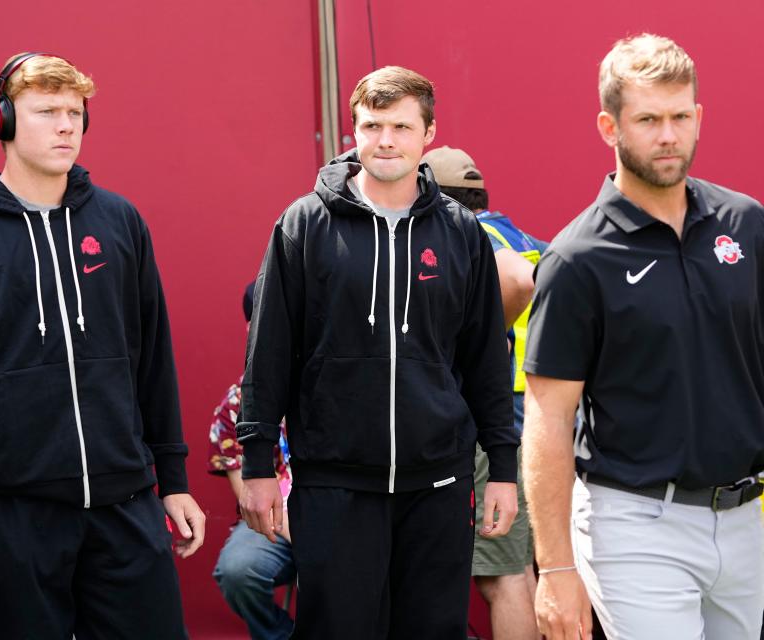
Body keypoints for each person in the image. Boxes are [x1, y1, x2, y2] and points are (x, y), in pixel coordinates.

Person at [0, 52, 204, 639]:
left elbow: (152, 360)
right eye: (46, 111)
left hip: (125, 502)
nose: (67, 125)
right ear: (4, 120)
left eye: (75, 112)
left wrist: (175, 479)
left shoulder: (119, 222)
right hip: (13, 511)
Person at [237, 65, 519, 640]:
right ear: (355, 132)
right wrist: (258, 464)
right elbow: (268, 351)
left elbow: (487, 359)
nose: (384, 140)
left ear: (428, 135)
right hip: (333, 480)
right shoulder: (304, 224)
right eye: (370, 126)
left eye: (399, 126)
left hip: (438, 482)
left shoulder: (460, 232)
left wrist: (504, 470)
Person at [523, 34, 764, 640]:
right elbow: (548, 419)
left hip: (744, 519)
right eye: (649, 119)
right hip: (634, 522)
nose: (668, 136)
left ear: (699, 116)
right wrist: (554, 568)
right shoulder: (579, 258)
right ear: (610, 126)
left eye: (681, 117)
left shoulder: (746, 224)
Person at [424, 145, 544, 640]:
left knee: (503, 576)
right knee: (543, 568)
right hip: (543, 422)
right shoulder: (525, 236)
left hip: (496, 423)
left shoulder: (466, 232)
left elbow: (516, 280)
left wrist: (477, 350)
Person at [208, 282, 296, 640]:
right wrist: (301, 534)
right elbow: (250, 500)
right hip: (273, 522)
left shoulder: (338, 388)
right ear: (251, 328)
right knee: (237, 569)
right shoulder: (234, 406)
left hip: (344, 513)